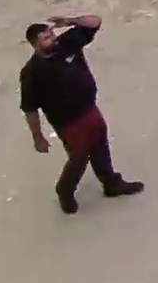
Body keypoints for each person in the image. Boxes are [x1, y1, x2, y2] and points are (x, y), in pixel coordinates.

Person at [18, 12, 145, 216]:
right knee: (79, 157)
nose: (52, 38)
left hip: (89, 109)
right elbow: (29, 108)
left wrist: (70, 21)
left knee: (100, 145)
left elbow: (95, 21)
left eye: (51, 33)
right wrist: (38, 137)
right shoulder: (31, 73)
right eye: (46, 38)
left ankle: (111, 183)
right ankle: (64, 191)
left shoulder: (67, 43)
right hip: (67, 122)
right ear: (35, 44)